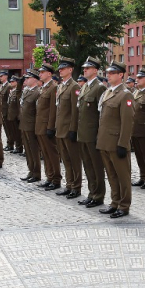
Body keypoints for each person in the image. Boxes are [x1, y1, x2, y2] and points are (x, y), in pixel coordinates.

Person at [97, 61, 135, 218]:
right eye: (108, 73)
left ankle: (124, 205)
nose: (109, 75)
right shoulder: (108, 92)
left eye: (112, 73)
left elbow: (127, 122)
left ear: (121, 75)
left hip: (116, 142)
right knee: (111, 175)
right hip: (105, 141)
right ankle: (114, 202)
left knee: (122, 176)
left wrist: (123, 143)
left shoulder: (125, 94)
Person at [76, 57, 107, 208]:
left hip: (93, 134)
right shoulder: (84, 87)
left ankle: (98, 195)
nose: (85, 70)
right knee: (87, 166)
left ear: (95, 70)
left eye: (88, 68)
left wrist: (99, 135)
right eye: (84, 68)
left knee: (96, 166)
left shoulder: (99, 87)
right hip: (83, 134)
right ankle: (91, 193)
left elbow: (101, 114)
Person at [54, 57, 82, 199]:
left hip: (68, 129)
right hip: (60, 129)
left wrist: (73, 129)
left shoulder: (74, 87)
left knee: (73, 159)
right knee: (65, 159)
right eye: (60, 68)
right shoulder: (61, 86)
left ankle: (76, 187)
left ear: (70, 70)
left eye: (63, 68)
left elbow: (75, 111)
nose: (60, 70)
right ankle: (69, 184)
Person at [36, 63, 62, 191]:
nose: (39, 74)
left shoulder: (53, 87)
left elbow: (53, 109)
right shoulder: (43, 88)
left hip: (47, 126)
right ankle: (49, 177)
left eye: (42, 72)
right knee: (45, 153)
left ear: (49, 74)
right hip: (40, 126)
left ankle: (56, 179)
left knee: (52, 153)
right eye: (39, 72)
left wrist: (51, 127)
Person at [19, 70, 42, 184]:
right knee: (27, 150)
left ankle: (36, 173)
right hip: (24, 124)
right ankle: (31, 170)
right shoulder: (26, 91)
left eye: (28, 78)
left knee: (33, 150)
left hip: (31, 125)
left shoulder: (37, 92)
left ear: (35, 79)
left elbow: (38, 112)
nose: (26, 80)